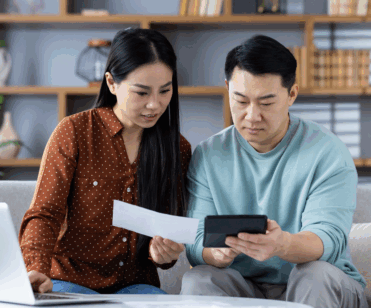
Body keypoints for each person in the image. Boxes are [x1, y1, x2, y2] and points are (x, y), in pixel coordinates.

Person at [181, 34, 368, 308]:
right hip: (246, 287)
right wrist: (215, 254)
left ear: (291, 94)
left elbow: (327, 239)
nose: (252, 116)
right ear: (227, 89)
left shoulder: (327, 152)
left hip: (324, 283)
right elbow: (197, 239)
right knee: (199, 279)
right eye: (241, 101)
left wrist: (282, 245)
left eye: (266, 103)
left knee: (312, 273)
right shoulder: (209, 155)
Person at [18, 27, 192, 295]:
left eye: (165, 91)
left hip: (136, 286)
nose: (155, 105)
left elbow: (166, 237)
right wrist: (35, 268)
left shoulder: (178, 148)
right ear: (112, 83)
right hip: (70, 280)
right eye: (142, 93)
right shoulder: (75, 132)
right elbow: (45, 212)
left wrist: (164, 256)